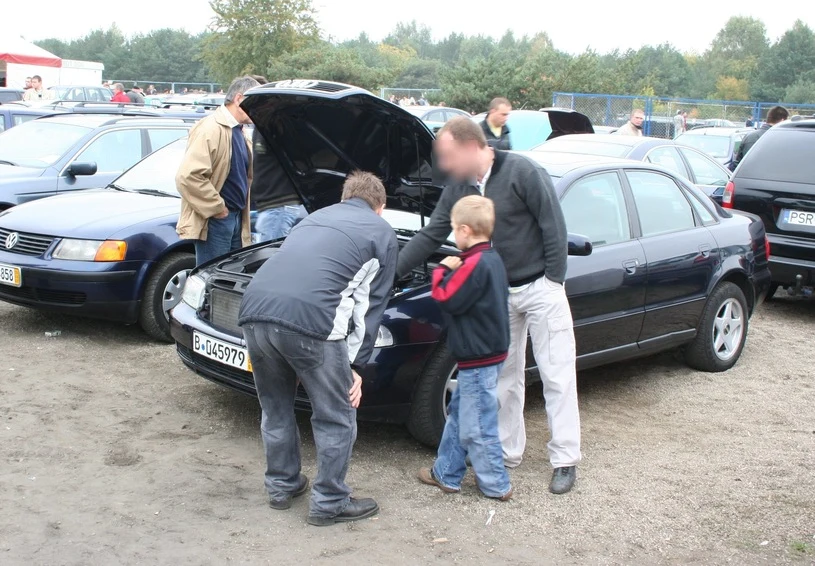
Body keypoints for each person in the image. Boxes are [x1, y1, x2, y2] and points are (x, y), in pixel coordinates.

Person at [397, 117, 580, 494]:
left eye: (448, 156)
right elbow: (432, 233)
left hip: (540, 287)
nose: (444, 166)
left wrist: (553, 280)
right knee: (505, 378)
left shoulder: (522, 171)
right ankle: (508, 452)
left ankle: (564, 460)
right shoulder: (458, 188)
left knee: (557, 374)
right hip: (499, 298)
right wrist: (390, 273)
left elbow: (553, 226)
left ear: (469, 147)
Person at [238, 171, 398, 526]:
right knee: (336, 415)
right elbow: (368, 306)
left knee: (275, 406)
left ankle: (281, 486)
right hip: (313, 326)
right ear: (380, 207)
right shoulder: (380, 232)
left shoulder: (314, 218)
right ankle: (329, 501)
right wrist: (355, 366)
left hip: (254, 313)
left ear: (343, 197)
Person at [417, 195, 513, 502]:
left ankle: (497, 484)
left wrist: (441, 270)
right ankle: (445, 472)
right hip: (489, 353)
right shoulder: (494, 259)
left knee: (478, 424)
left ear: (465, 231)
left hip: (477, 357)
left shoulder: (472, 265)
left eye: (454, 231)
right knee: (460, 414)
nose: (453, 236)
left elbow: (445, 296)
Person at [175, 76, 259, 265]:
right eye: (255, 103)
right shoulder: (211, 128)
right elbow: (188, 177)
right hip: (216, 220)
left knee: (229, 279)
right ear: (239, 99)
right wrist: (218, 208)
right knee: (212, 281)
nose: (258, 110)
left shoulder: (238, 130)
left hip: (235, 216)